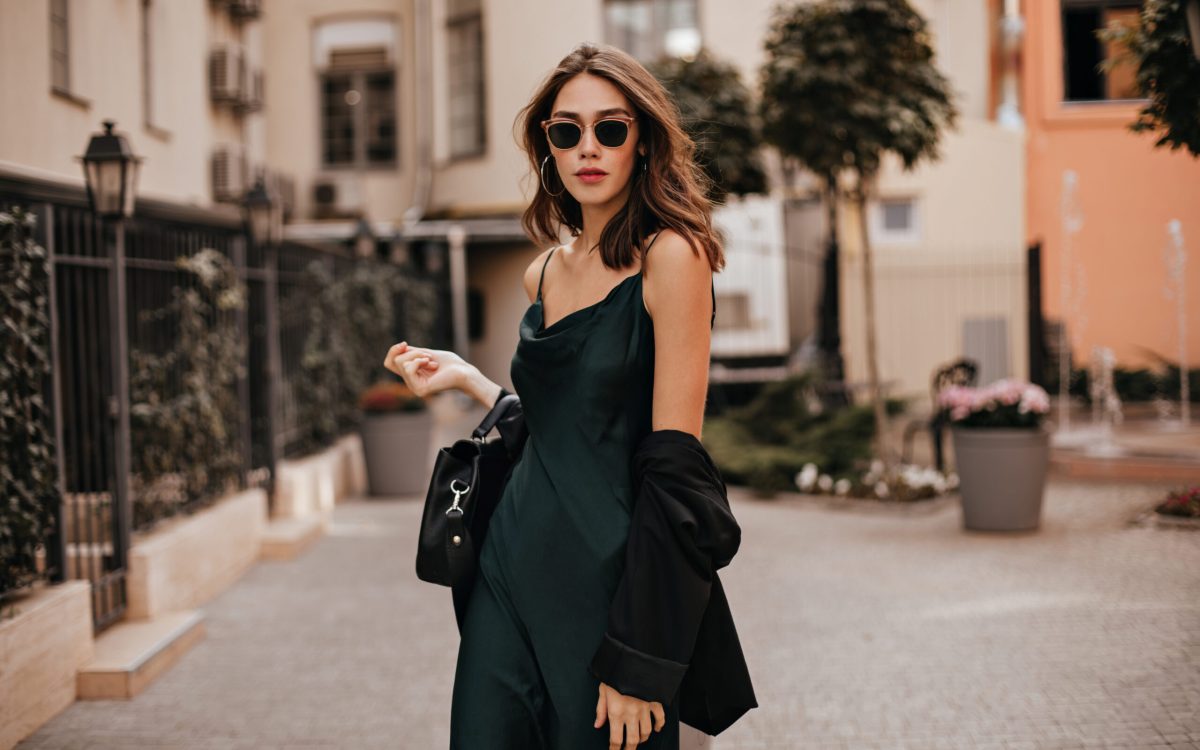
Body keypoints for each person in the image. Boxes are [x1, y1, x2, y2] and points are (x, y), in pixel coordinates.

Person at [385, 42, 727, 750]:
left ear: (643, 140)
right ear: (548, 146)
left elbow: (676, 467)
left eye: (612, 127)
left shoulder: (673, 256)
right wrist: (468, 378)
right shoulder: (541, 273)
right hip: (506, 571)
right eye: (566, 131)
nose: (588, 148)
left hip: (609, 583)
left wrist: (638, 653)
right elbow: (557, 424)